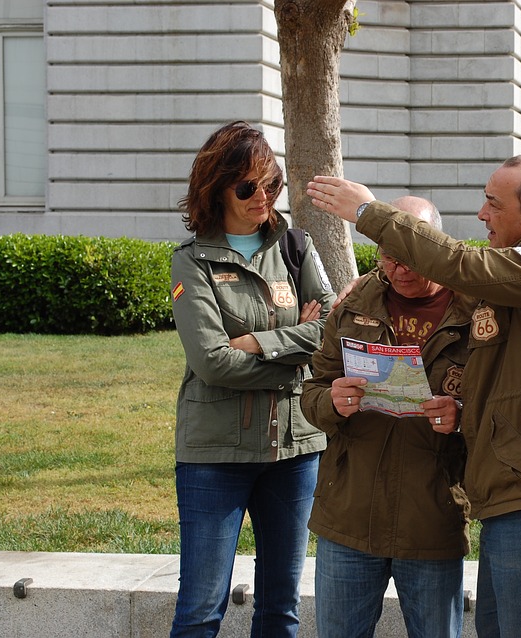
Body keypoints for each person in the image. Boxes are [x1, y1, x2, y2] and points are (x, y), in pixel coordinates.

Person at [306, 155, 521, 638]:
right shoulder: (501, 281)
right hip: (515, 494)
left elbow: (460, 265)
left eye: (493, 203)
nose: (482, 214)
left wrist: (369, 212)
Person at [169, 121, 335, 637]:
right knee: (201, 608)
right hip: (214, 454)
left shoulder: (297, 247)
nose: (263, 197)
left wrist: (261, 343)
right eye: (248, 187)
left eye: (273, 185)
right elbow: (213, 362)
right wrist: (295, 348)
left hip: (294, 448)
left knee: (281, 606)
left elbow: (330, 329)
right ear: (216, 188)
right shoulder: (191, 262)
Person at [301, 196, 474, 638]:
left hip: (431, 515)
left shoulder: (475, 311)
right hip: (349, 515)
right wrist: (331, 401)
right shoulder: (358, 300)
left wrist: (460, 415)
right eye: (388, 257)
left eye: (410, 257)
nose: (399, 270)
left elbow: (502, 406)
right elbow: (313, 390)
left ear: (436, 247)